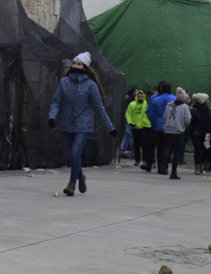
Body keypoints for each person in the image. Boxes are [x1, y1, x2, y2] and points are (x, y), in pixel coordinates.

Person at [48, 52, 116, 196]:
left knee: (75, 152)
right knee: (72, 156)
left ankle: (71, 184)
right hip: (67, 124)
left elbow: (99, 108)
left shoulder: (91, 86)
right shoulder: (63, 82)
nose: (75, 66)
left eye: (79, 64)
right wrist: (52, 117)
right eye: (74, 63)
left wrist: (110, 128)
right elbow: (56, 101)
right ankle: (81, 176)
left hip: (83, 125)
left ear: (85, 67)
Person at [163, 87, 192, 180]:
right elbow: (188, 119)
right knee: (176, 152)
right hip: (178, 131)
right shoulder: (184, 107)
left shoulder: (168, 105)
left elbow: (164, 117)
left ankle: (166, 156)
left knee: (168, 147)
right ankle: (173, 172)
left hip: (167, 130)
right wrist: (184, 125)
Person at [145, 81, 173, 174]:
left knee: (159, 147)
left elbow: (150, 112)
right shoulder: (173, 99)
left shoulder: (155, 99)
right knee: (167, 146)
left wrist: (154, 123)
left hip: (158, 126)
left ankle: (159, 166)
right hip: (170, 126)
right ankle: (164, 165)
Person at [125, 89, 150, 167]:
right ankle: (137, 160)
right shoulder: (132, 104)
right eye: (139, 96)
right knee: (136, 145)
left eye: (142, 96)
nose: (140, 97)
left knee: (144, 144)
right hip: (135, 127)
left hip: (144, 126)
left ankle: (145, 160)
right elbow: (128, 114)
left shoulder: (146, 104)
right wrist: (130, 122)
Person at [189, 93, 211, 175]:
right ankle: (197, 167)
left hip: (205, 132)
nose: (208, 102)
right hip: (196, 132)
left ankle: (201, 163)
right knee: (198, 150)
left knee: (205, 149)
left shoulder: (208, 109)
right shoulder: (194, 109)